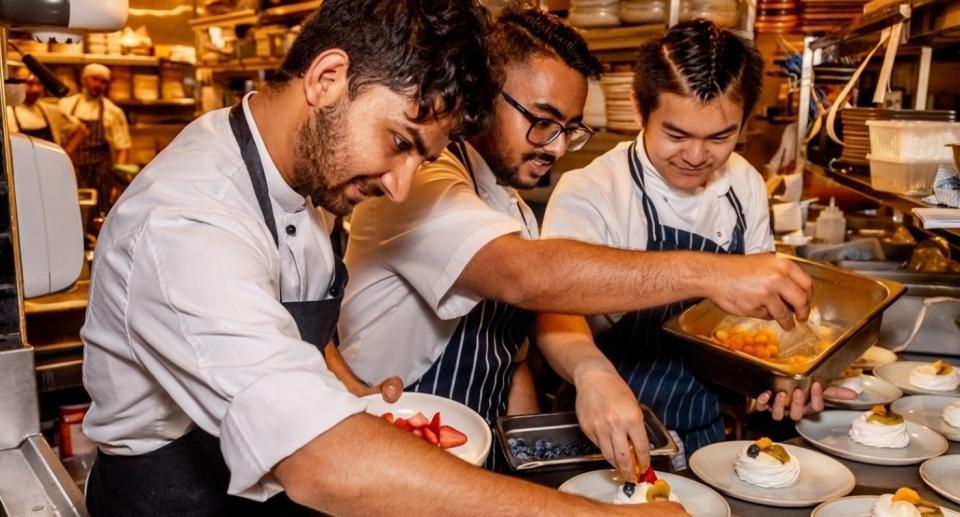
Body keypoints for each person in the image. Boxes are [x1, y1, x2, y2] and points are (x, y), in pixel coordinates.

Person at [79, 1, 685, 516]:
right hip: (176, 499)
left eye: (419, 158)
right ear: (327, 77)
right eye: (399, 142)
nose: (399, 187)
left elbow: (286, 319)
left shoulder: (299, 169)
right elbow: (322, 461)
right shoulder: (185, 221)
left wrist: (346, 388)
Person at [336, 7, 823, 480]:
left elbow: (511, 357)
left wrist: (527, 460)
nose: (557, 147)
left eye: (569, 128)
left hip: (477, 458)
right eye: (542, 120)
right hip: (398, 446)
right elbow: (526, 278)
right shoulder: (420, 179)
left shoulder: (511, 209)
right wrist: (710, 275)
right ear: (484, 96)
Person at [538, 19, 855, 461]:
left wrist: (781, 378)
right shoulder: (592, 190)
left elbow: (758, 317)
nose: (695, 156)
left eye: (720, 137)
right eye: (676, 134)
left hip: (708, 430)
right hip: (604, 430)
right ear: (637, 108)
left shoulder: (743, 182)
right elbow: (553, 311)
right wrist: (592, 374)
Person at [58, 63, 131, 217]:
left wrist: (118, 183)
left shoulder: (113, 112)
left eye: (103, 81)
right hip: (71, 171)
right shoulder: (66, 105)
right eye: (94, 79)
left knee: (100, 215)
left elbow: (123, 147)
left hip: (102, 174)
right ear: (83, 80)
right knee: (70, 213)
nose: (98, 84)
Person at [6, 69, 88, 153]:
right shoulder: (6, 113)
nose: (35, 89)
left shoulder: (50, 110)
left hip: (50, 163)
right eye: (29, 84)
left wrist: (65, 155)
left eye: (39, 84)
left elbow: (81, 130)